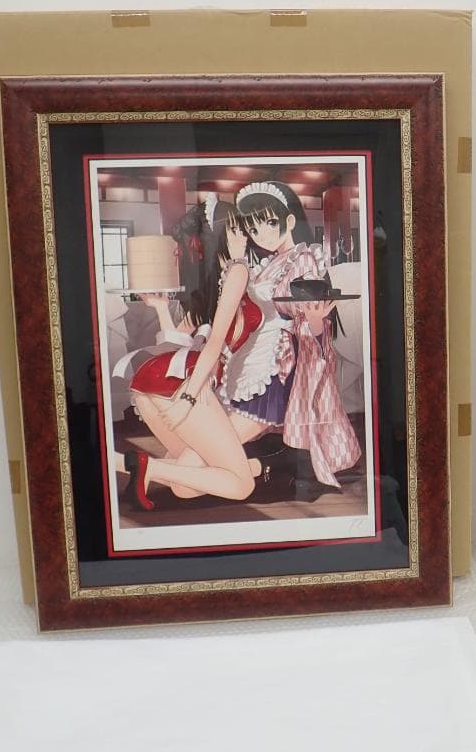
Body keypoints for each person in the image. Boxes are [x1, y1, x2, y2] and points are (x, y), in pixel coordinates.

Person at [122, 181, 361, 508]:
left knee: (195, 469)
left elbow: (308, 318)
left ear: (290, 221)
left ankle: (148, 467)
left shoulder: (304, 258)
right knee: (188, 480)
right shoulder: (255, 267)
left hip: (272, 377)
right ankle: (257, 468)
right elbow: (223, 327)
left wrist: (316, 321)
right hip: (242, 374)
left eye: (269, 223)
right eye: (253, 228)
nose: (261, 234)